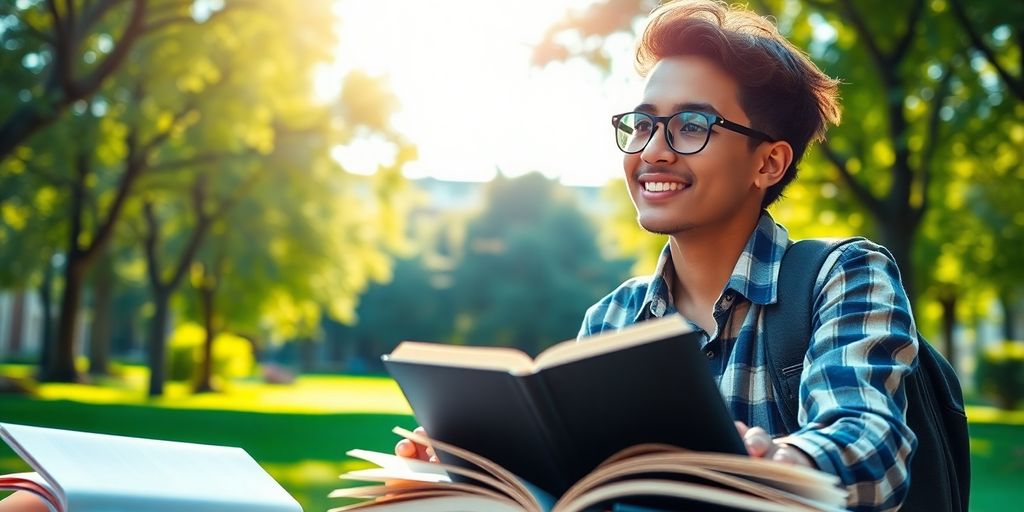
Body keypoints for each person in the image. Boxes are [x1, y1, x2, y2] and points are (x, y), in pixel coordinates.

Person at [397, 1, 918, 511]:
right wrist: (479, 472)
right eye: (642, 125)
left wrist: (781, 459)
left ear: (769, 163)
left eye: (692, 125)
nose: (652, 151)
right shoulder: (610, 320)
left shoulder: (842, 276)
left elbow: (873, 445)